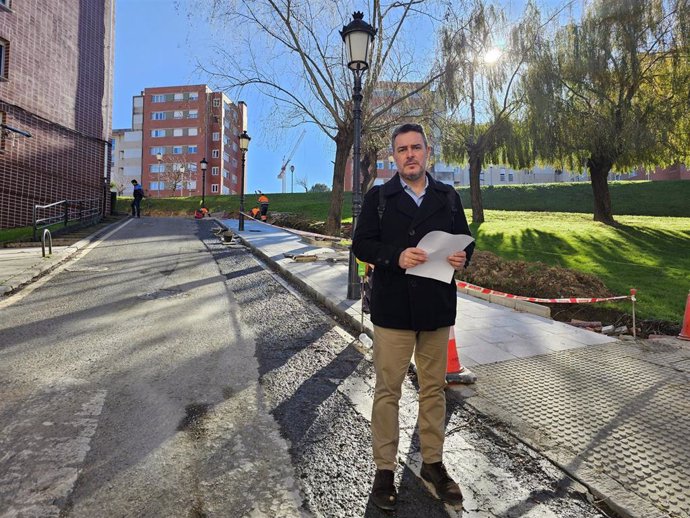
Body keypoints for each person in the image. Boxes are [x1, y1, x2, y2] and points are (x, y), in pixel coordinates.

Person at [352, 123, 474, 511]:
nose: (409, 155)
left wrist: (462, 258)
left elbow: (466, 243)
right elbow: (361, 244)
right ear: (394, 156)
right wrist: (396, 256)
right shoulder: (379, 198)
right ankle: (384, 470)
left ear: (427, 151)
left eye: (415, 147)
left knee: (433, 389)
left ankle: (433, 463)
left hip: (436, 308)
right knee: (388, 391)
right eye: (402, 149)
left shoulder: (448, 197)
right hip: (393, 312)